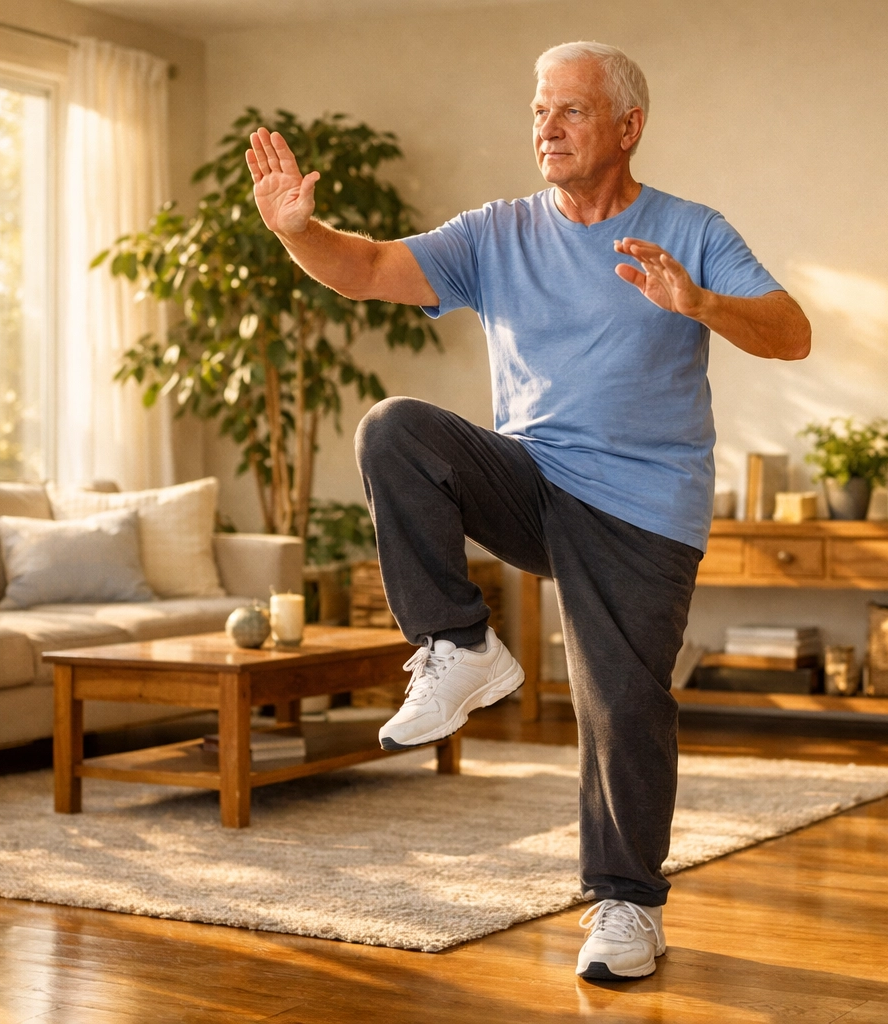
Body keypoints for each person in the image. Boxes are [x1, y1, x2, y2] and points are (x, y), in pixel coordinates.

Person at [246, 40, 810, 981]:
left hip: (644, 505)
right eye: (539, 110)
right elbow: (371, 268)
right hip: (536, 475)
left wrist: (701, 301)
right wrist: (298, 233)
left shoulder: (690, 228)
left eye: (572, 111)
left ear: (628, 127)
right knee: (396, 429)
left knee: (623, 705)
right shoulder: (496, 232)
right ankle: (460, 646)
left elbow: (790, 333)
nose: (546, 127)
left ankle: (626, 905)